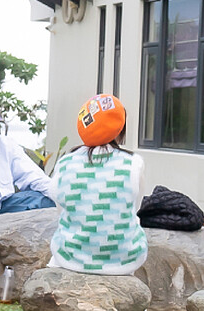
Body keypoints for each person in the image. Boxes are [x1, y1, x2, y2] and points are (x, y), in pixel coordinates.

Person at [48, 94, 148, 275]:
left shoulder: (65, 163)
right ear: (120, 129)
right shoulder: (134, 163)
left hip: (70, 258)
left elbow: (62, 211)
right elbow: (134, 208)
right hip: (125, 259)